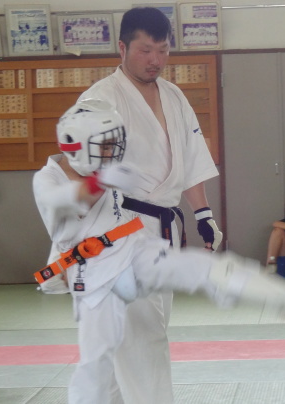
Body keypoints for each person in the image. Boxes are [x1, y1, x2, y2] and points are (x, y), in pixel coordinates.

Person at [33, 100, 285, 404]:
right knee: (97, 366)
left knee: (205, 268)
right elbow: (61, 201)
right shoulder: (47, 178)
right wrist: (97, 184)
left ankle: (281, 295)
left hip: (135, 252)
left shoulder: (104, 168)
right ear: (78, 146)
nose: (112, 151)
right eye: (105, 145)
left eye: (114, 143)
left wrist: (201, 214)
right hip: (96, 279)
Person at [76, 8, 221, 404]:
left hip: (163, 229)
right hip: (120, 228)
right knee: (145, 338)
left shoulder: (174, 96)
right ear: (122, 48)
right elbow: (82, 171)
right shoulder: (100, 99)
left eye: (163, 50)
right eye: (145, 50)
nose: (155, 59)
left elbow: (190, 160)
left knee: (128, 338)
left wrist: (203, 215)